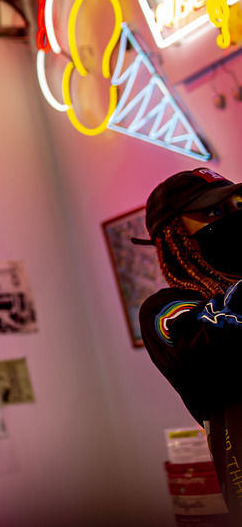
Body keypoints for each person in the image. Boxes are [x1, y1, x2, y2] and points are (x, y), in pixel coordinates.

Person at [138, 168, 242, 512]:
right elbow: (211, 352)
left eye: (237, 205)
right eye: (213, 212)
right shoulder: (165, 309)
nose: (232, 218)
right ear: (175, 236)